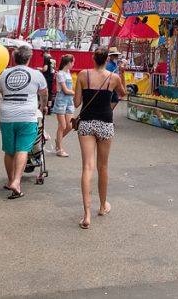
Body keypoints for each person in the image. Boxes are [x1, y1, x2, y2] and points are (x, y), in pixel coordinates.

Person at [73, 47, 127, 229]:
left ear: (93, 58)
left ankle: (86, 214)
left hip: (86, 123)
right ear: (107, 59)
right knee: (103, 166)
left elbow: (77, 103)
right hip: (105, 123)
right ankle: (103, 206)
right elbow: (123, 93)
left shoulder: (83, 75)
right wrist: (123, 73)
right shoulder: (113, 77)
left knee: (87, 167)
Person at [0, 45, 47, 199]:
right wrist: (43, 107)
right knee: (23, 149)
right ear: (29, 58)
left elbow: (2, 91)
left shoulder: (4, 74)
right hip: (27, 115)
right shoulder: (36, 74)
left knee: (9, 150)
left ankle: (10, 179)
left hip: (7, 115)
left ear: (14, 58)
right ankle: (17, 182)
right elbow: (44, 93)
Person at [52, 54, 76, 157]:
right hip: (61, 100)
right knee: (62, 125)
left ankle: (58, 140)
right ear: (69, 63)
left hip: (69, 101)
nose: (73, 64)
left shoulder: (68, 73)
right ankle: (59, 148)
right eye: (73, 62)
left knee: (70, 126)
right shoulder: (60, 74)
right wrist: (76, 93)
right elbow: (65, 90)